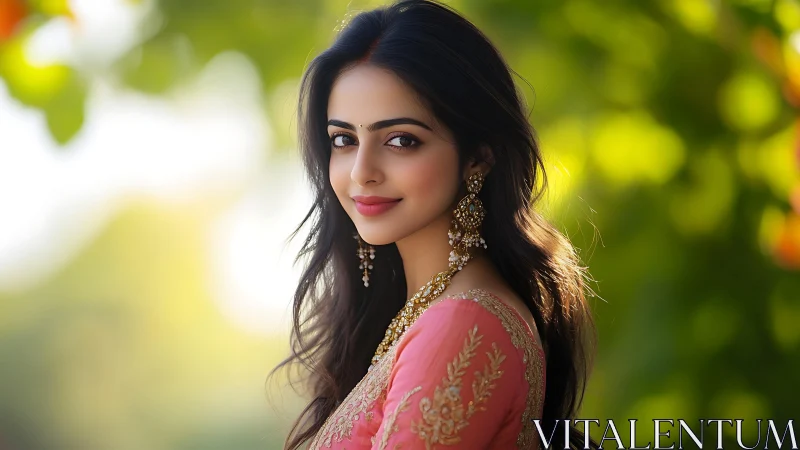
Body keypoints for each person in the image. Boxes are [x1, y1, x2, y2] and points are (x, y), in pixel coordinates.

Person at [268, 1, 599, 448]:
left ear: (478, 157)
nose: (361, 171)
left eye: (401, 140)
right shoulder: (428, 315)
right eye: (343, 140)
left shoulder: (463, 323)